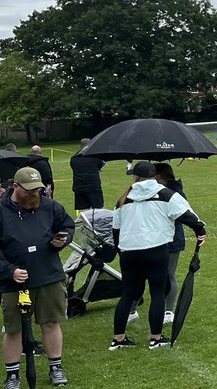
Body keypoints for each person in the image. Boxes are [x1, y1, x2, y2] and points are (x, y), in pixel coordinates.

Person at [110, 161, 207, 351]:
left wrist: (120, 249)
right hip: (155, 250)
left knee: (128, 294)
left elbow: (116, 229)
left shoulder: (124, 198)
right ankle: (156, 337)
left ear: (135, 177)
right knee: (157, 293)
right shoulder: (165, 194)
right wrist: (200, 229)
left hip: (129, 251)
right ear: (154, 176)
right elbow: (186, 214)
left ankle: (118, 338)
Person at [0, 167, 74, 389]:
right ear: (16, 187)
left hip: (48, 277)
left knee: (50, 322)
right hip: (17, 285)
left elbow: (67, 226)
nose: (34, 195)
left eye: (38, 190)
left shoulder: (50, 206)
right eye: (29, 190)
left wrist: (63, 239)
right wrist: (9, 270)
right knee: (14, 328)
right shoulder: (1, 211)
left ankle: (56, 367)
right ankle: (13, 376)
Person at [154, 163, 188, 325]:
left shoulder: (175, 193)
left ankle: (169, 310)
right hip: (155, 238)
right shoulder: (156, 191)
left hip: (172, 239)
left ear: (160, 177)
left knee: (169, 274)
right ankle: (133, 308)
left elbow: (181, 214)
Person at [69, 138, 106, 212]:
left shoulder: (74, 158)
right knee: (97, 208)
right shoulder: (95, 157)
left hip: (79, 187)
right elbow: (101, 164)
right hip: (93, 187)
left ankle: (86, 223)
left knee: (84, 210)